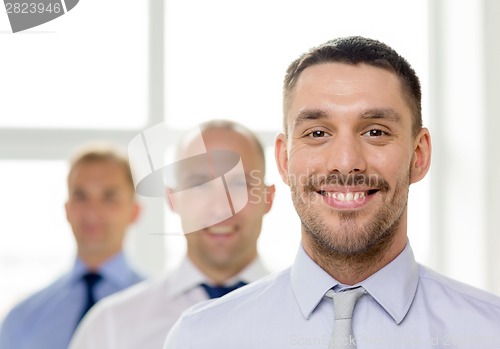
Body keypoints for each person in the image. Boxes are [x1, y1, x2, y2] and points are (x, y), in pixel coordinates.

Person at [163, 36, 500, 349]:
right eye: (318, 132)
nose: (345, 162)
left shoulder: (489, 332)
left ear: (419, 155)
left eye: (375, 131)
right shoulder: (201, 337)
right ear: (283, 159)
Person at [68, 120, 275, 349]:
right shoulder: (109, 328)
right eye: (200, 184)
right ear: (173, 199)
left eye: (239, 184)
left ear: (268, 197)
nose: (220, 208)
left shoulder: (314, 321)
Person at [0, 144, 144, 349]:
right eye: (81, 196)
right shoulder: (22, 320)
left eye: (109, 197)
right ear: (67, 210)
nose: (92, 212)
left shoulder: (167, 312)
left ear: (135, 211)